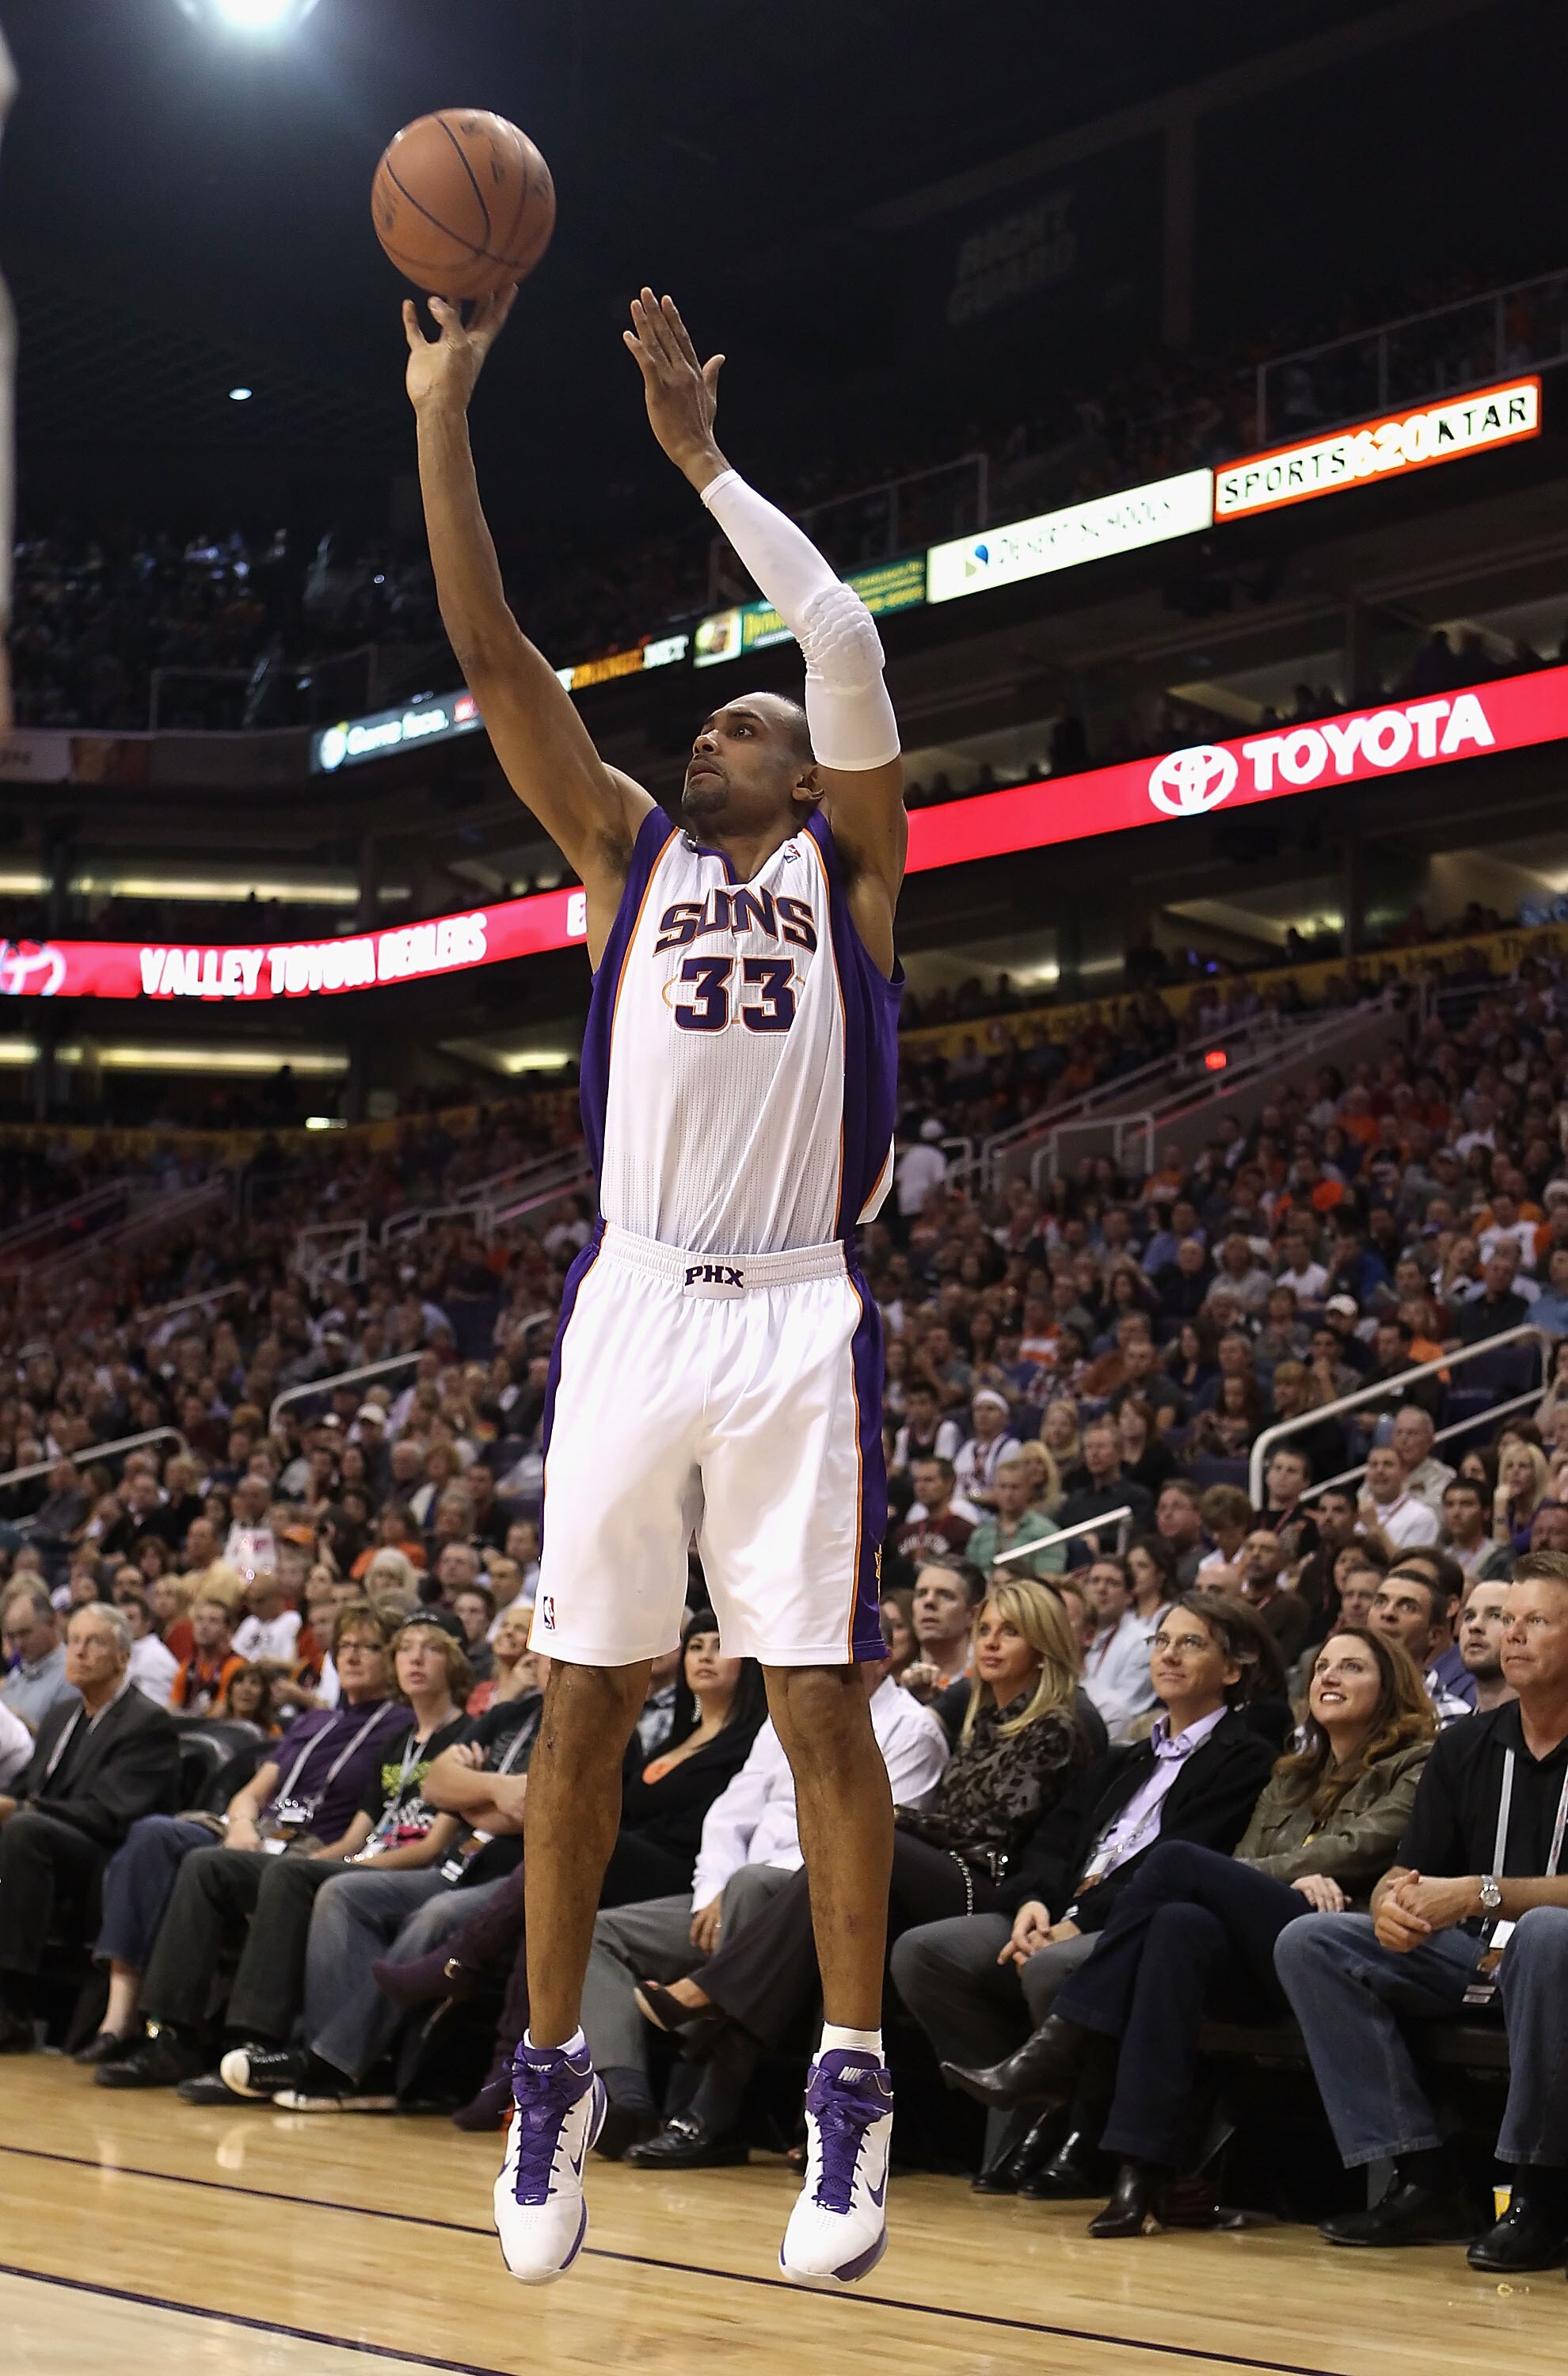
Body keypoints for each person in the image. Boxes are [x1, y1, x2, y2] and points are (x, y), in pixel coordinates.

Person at [409, 272, 911, 2287]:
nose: (707, 729)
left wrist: (699, 458)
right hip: (632, 1302)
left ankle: (850, 2082)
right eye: (706, 718)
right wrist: (445, 408)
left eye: (742, 721)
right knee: (584, 1703)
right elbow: (485, 645)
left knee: (815, 1697)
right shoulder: (623, 860)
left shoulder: (850, 876)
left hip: (795, 1304)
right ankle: (550, 2078)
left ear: (802, 777)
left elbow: (845, 636)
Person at [944, 1626, 1434, 2234]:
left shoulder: (1415, 1764)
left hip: (1340, 1938)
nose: (1329, 1677)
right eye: (1323, 1666)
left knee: (1176, 1863)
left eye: (1353, 1668)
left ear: (1392, 1689)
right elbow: (1246, 1857)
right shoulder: (1290, 1774)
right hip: (1265, 1940)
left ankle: (1061, 2045)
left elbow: (1361, 1846)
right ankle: (1138, 2175)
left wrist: (1280, 1880)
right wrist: (1281, 1879)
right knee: (1176, 1926)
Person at [624, 1582, 1088, 2166]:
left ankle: (711, 1997)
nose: (991, 1642)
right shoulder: (984, 1710)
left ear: (1044, 1645)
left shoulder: (1057, 1725)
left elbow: (998, 1833)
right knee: (840, 1911)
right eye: (987, 1630)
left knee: (863, 1838)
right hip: (944, 1872)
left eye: (1011, 1632)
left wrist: (887, 1813)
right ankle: (814, 2123)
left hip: (991, 1884)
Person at [892, 1594, 1283, 2185]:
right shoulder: (1128, 1755)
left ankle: (1083, 2125)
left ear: (1232, 1669)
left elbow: (1176, 1859)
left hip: (1130, 1924)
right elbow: (1054, 1840)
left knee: (1053, 1967)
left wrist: (1078, 1919)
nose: (1169, 1655)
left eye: (1191, 1643)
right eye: (1161, 1641)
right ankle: (1041, 2101)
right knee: (925, 1954)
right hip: (1059, 1911)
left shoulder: (1246, 1759)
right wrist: (1033, 1903)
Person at [352, 1611, 770, 2129]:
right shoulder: (671, 1737)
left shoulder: (753, 1742)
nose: (703, 1654)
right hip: (623, 1864)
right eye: (696, 1644)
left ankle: (462, 1962)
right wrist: (497, 1801)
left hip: (682, 1879)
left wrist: (495, 1802)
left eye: (717, 1645)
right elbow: (456, 1791)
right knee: (552, 1905)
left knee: (567, 1849)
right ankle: (507, 2072)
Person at [1274, 1552, 1568, 2267]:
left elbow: (1483, 1895)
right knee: (1311, 1940)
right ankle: (1422, 2177)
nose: (1515, 1636)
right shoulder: (1465, 1741)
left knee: (1548, 1932)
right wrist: (1387, 1907)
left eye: (1538, 1621)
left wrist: (1478, 1892)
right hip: (1475, 1956)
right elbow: (1406, 1871)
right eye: (1507, 1620)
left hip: (1556, 1959)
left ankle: (1539, 2192)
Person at [577, 1641, 949, 2155]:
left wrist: (744, 1887)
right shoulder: (787, 1712)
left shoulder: (912, 1730)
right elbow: (730, 1814)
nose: (826, 1659)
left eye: (843, 1646)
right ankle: (627, 2097)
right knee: (601, 1932)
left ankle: (710, 2111)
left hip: (814, 1905)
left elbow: (874, 1854)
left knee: (756, 1886)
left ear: (882, 1655)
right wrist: (714, 1891)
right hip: (734, 1894)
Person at [81, 1603, 405, 2070]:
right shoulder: (313, 1721)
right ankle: (118, 2018)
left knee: (205, 1866)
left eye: (368, 1648)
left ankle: (174, 2036)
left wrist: (318, 1860)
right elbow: (250, 1793)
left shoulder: (398, 1727)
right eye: (346, 1646)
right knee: (154, 1833)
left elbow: (370, 1821)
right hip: (255, 1835)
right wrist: (241, 1826)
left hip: (309, 1846)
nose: (352, 1656)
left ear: (390, 1658)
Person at [176, 1616, 474, 2110]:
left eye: (431, 1650)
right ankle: (189, 2038)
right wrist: (327, 1863)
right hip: (365, 1858)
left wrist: (346, 1869)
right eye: (408, 1650)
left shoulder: (464, 1736)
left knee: (306, 1878)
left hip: (420, 1869)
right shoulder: (394, 1745)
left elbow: (432, 1845)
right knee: (276, 1870)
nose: (416, 1660)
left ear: (456, 1661)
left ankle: (266, 2043)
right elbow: (358, 1834)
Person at [0, 1604, 180, 2048]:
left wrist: (25, 1807)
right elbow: (29, 1784)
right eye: (74, 1641)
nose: (78, 1652)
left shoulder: (147, 1722)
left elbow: (113, 1814)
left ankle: (11, 2007)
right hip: (49, 1838)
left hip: (107, 1855)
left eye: (94, 1642)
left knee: (24, 1831)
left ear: (123, 1657)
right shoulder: (62, 1714)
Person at [1079, 1556, 1156, 1745]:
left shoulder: (1143, 1641)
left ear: (1129, 1595)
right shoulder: (1077, 1633)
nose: (1101, 1589)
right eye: (1094, 1581)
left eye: (1112, 1583)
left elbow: (1122, 1709)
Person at [965, 1456, 1064, 1582]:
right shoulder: (980, 1534)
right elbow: (971, 1581)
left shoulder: (1046, 1532)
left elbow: (1048, 1580)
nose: (1008, 1494)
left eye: (1015, 1487)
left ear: (1029, 1490)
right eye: (1003, 1487)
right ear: (994, 1490)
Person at [900, 1560, 984, 1698]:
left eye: (945, 1595)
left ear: (973, 1615)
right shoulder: (898, 1684)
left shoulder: (987, 1680)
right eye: (921, 1594)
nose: (929, 1602)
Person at [0, 1585, 74, 1733]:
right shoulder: (18, 1673)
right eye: (12, 1636)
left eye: (25, 1633)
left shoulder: (71, 1674)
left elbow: (68, 1745)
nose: (18, 1644)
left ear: (52, 1623)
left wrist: (24, 1726)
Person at [1360, 1444, 1440, 1551]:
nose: (1379, 1470)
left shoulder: (1422, 1516)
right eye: (1374, 1465)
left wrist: (1374, 1528)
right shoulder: (1356, 1511)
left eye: (1388, 1464)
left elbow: (1411, 1566)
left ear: (1404, 1473)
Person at [1458, 1577, 1517, 1713]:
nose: (1474, 1626)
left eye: (1496, 1616)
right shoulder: (1453, 1734)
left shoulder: (1548, 1732)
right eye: (1469, 1617)